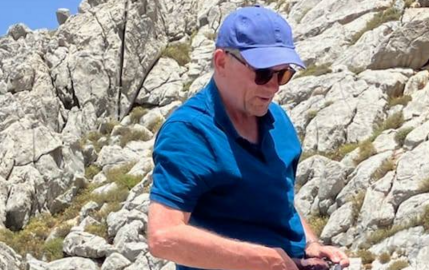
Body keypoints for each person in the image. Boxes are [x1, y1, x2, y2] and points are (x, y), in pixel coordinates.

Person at [147, 5, 350, 270]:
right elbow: (163, 237)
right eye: (263, 73)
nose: (274, 86)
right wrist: (260, 260)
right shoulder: (190, 132)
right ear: (221, 61)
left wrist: (311, 245)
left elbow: (280, 202)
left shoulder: (278, 121)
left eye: (283, 74)